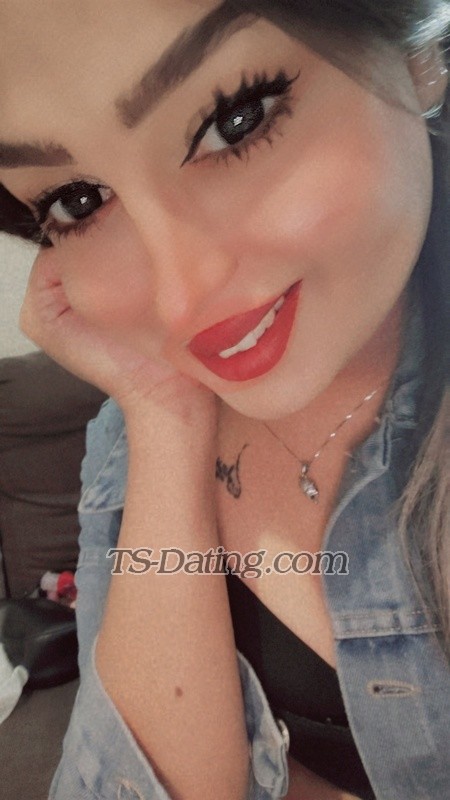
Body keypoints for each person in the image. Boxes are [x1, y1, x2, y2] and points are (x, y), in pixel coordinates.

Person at [0, 1, 449, 797]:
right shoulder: (128, 439)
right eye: (77, 200)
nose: (180, 298)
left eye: (236, 120)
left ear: (418, 59)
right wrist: (165, 413)